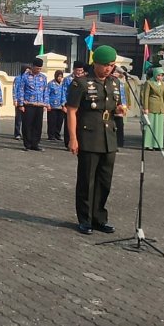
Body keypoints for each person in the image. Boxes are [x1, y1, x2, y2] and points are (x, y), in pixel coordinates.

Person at [66, 45, 122, 235]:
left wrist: (120, 110)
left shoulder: (114, 83)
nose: (108, 68)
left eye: (111, 65)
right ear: (95, 63)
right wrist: (73, 138)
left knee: (104, 181)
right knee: (87, 180)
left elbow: (115, 106)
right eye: (105, 65)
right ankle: (85, 219)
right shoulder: (80, 83)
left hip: (109, 137)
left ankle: (99, 218)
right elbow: (72, 112)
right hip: (89, 136)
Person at [17, 58, 49, 151]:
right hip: (28, 104)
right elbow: (21, 90)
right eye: (37, 68)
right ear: (32, 67)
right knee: (27, 125)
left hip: (39, 105)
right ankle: (27, 144)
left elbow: (45, 91)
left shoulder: (43, 77)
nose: (38, 70)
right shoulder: (25, 77)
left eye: (40, 68)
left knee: (38, 126)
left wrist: (45, 103)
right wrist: (21, 104)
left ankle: (35, 144)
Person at [141, 67, 164, 151]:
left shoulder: (162, 83)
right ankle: (149, 144)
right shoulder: (149, 83)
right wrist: (145, 108)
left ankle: (158, 144)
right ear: (155, 74)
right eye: (158, 75)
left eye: (161, 76)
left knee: (159, 127)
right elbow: (145, 96)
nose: (160, 77)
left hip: (160, 107)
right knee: (151, 125)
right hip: (151, 106)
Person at [62, 61, 88, 148]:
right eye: (78, 70)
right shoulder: (67, 79)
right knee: (68, 124)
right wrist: (64, 105)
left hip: (80, 105)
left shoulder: (85, 80)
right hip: (70, 104)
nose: (79, 72)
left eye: (81, 70)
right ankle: (68, 142)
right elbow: (64, 92)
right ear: (73, 70)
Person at [46, 70, 66, 141]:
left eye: (61, 76)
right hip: (52, 106)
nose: (60, 78)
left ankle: (57, 135)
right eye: (59, 76)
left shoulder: (63, 84)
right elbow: (47, 94)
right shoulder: (51, 84)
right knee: (52, 122)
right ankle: (51, 135)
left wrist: (64, 104)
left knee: (59, 122)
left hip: (61, 106)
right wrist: (47, 104)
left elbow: (64, 94)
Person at [12, 66, 29, 140]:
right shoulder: (18, 78)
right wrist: (15, 100)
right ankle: (17, 133)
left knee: (27, 119)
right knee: (18, 119)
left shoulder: (29, 79)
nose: (27, 73)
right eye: (26, 71)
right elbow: (14, 89)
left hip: (27, 101)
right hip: (19, 101)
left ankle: (25, 134)